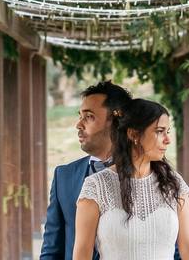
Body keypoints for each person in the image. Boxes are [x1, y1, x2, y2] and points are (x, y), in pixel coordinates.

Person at [73, 99, 189, 260]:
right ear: (133, 134)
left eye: (167, 132)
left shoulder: (173, 183)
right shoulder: (96, 186)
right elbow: (82, 253)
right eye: (159, 131)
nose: (167, 140)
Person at [40, 81, 132, 260]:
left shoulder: (149, 175)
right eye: (80, 116)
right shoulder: (64, 177)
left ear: (117, 122)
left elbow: (170, 246)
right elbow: (51, 250)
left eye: (89, 116)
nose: (78, 124)